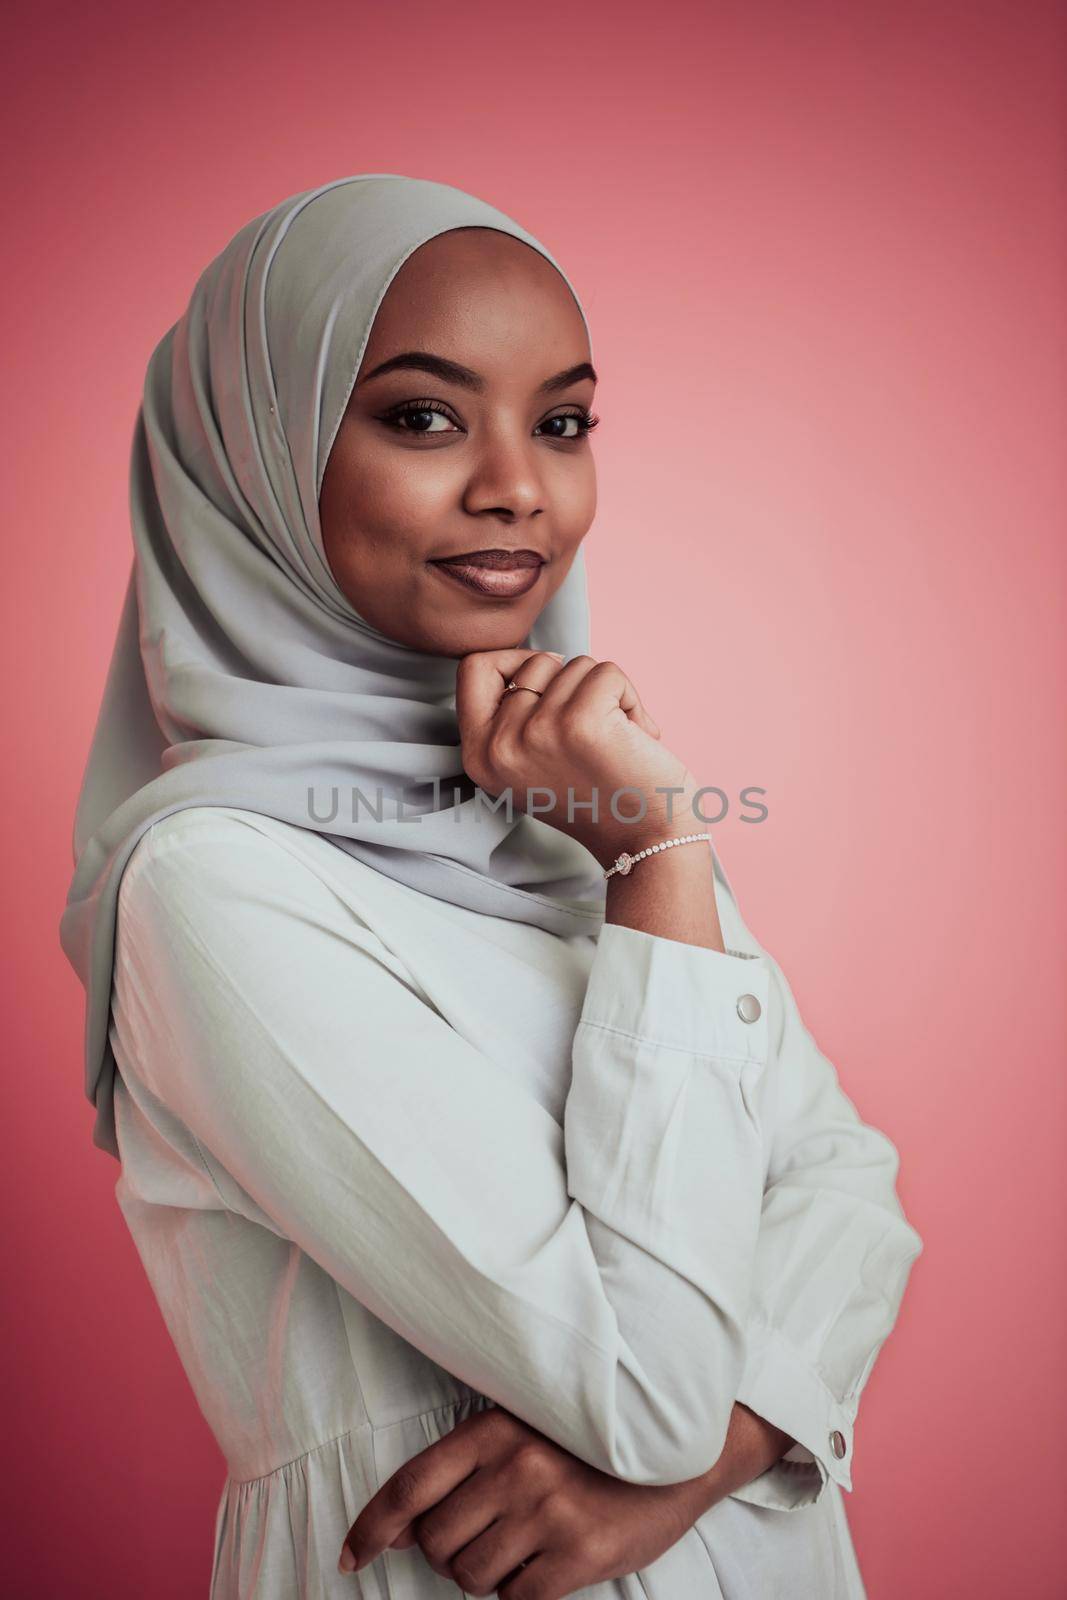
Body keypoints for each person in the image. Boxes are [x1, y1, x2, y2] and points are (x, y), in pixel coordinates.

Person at [60, 175, 923, 1600]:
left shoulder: (561, 807)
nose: (519, 484)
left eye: (564, 422)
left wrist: (714, 1456)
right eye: (423, 415)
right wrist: (657, 858)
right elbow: (643, 1386)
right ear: (259, 454)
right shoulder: (213, 890)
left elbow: (851, 1185)